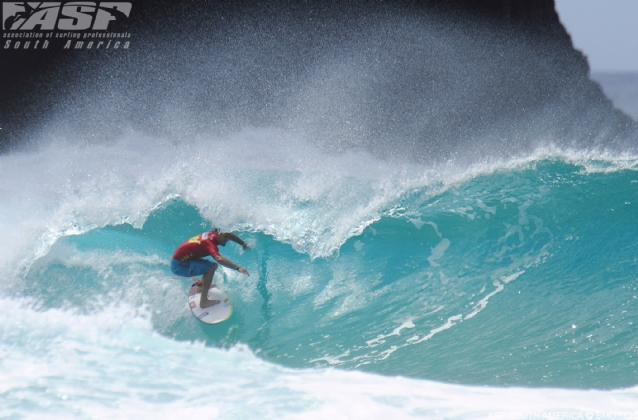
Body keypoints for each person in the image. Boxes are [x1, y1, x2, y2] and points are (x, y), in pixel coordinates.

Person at [171, 229, 250, 308]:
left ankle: (201, 287)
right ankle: (203, 302)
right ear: (219, 234)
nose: (227, 241)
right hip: (180, 266)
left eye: (228, 238)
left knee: (212, 266)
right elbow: (219, 259)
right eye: (226, 238)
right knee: (210, 268)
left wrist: (242, 243)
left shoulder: (213, 233)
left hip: (185, 260)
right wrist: (238, 268)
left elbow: (228, 234)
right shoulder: (210, 243)